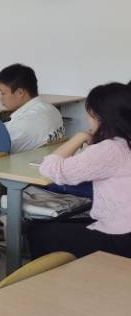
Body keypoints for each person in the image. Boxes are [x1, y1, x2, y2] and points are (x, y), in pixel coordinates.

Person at [28, 83, 131, 259]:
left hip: (120, 238)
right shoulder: (124, 142)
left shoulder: (111, 148)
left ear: (97, 115)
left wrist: (79, 137)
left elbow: (50, 169)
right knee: (65, 224)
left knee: (38, 232)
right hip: (124, 229)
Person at [0, 63, 65, 153]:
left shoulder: (19, 126)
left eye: (3, 93)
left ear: (20, 92)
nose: (0, 98)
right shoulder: (53, 110)